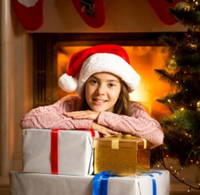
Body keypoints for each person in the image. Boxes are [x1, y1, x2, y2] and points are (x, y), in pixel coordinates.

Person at [21, 44, 164, 147]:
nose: (100, 91)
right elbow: (30, 119)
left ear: (121, 89)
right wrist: (87, 123)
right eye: (94, 82)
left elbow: (157, 136)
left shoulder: (133, 109)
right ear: (84, 85)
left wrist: (99, 116)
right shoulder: (71, 104)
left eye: (111, 84)